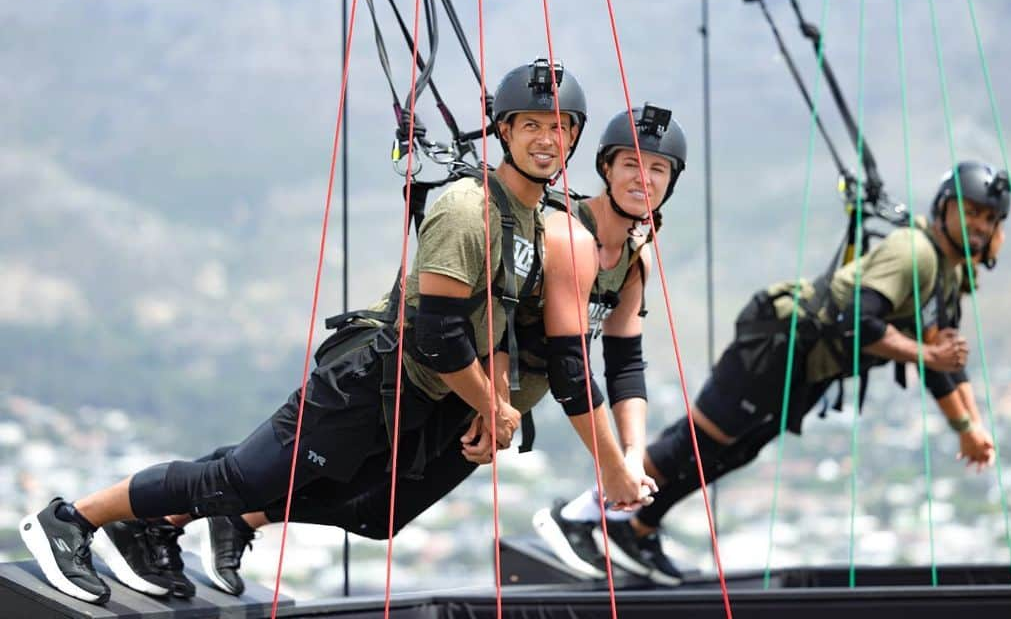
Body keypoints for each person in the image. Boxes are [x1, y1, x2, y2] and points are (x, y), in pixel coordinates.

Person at [18, 59, 647, 605]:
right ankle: (72, 519)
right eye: (531, 124)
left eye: (561, 127)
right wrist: (493, 406)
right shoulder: (468, 209)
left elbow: (498, 322)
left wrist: (497, 399)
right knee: (241, 479)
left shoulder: (534, 220)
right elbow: (438, 336)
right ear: (503, 129)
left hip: (422, 397)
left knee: (377, 514)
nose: (547, 139)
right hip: (368, 379)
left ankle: (153, 525)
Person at [539, 161, 1011, 586]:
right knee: (698, 442)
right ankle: (577, 515)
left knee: (734, 452)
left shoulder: (950, 276)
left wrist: (971, 428)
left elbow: (942, 363)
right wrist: (934, 368)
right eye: (971, 211)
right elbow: (858, 322)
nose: (978, 224)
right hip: (778, 345)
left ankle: (635, 530)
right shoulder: (917, 253)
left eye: (988, 218)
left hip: (807, 370)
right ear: (945, 208)